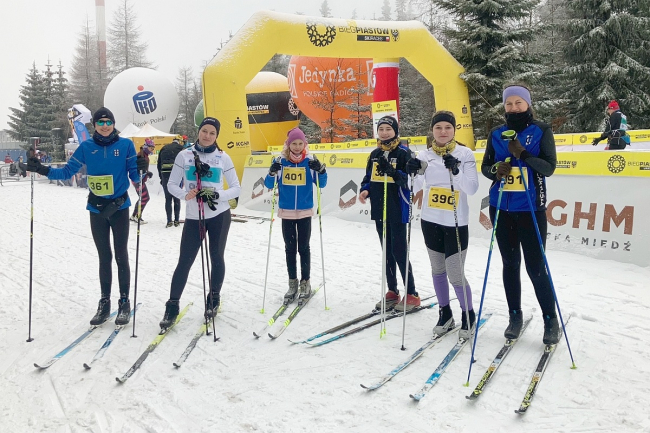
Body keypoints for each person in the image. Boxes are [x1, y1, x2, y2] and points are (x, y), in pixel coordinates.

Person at [25, 107, 145, 326]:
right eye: (101, 122)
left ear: (113, 123)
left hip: (119, 207)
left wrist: (142, 168)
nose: (105, 126)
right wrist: (43, 170)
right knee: (104, 256)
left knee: (121, 255)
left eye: (109, 122)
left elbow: (134, 175)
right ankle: (104, 302)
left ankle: (124, 302)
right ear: (95, 125)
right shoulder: (86, 147)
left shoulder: (125, 145)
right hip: (97, 208)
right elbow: (67, 172)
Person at [481, 84, 561, 344]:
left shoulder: (541, 130)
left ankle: (550, 320)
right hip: (501, 207)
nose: (513, 107)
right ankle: (514, 315)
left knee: (536, 268)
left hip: (531, 209)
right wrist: (497, 169)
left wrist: (523, 154)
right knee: (510, 264)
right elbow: (486, 167)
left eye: (518, 102)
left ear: (528, 104)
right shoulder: (496, 133)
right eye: (508, 104)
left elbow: (548, 168)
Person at [159, 117, 241, 329]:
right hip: (194, 216)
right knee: (185, 261)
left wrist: (216, 195)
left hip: (219, 215)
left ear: (216, 136)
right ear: (199, 131)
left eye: (212, 133)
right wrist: (186, 195)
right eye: (204, 131)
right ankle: (172, 305)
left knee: (216, 257)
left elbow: (235, 188)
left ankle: (213, 297)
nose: (207, 136)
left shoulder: (223, 157)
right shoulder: (184, 155)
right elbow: (171, 184)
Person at [406, 111, 479, 339]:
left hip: (456, 222)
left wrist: (455, 171)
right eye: (438, 128)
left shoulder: (465, 154)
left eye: (448, 127)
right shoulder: (424, 155)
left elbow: (472, 188)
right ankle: (445, 312)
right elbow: (414, 187)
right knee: (437, 270)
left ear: (454, 130)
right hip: (430, 220)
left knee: (455, 274)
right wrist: (411, 171)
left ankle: (468, 314)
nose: (443, 132)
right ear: (432, 130)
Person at [359, 116, 419, 312]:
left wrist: (393, 172)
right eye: (381, 129)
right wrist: (365, 189)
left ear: (395, 131)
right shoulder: (375, 153)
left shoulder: (403, 152)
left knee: (399, 251)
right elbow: (368, 177)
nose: (384, 132)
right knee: (387, 251)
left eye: (388, 129)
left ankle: (412, 293)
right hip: (379, 207)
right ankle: (392, 291)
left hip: (397, 206)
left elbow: (409, 182)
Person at [264, 127, 328, 302]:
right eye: (294, 143)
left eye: (300, 143)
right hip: (287, 212)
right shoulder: (281, 161)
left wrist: (321, 170)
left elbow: (322, 184)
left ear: (305, 144)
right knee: (290, 249)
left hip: (305, 211)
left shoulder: (309, 161)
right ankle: (292, 283)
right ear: (288, 144)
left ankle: (305, 282)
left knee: (304, 247)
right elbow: (269, 183)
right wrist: (271, 171)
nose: (297, 147)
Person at [157, 138, 184, 227]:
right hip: (176, 174)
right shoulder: (181, 148)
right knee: (177, 198)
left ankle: (169, 221)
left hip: (165, 173)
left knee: (168, 198)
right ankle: (176, 220)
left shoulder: (164, 148)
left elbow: (158, 164)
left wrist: (161, 178)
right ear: (178, 142)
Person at [130, 139, 154, 224]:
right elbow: (139, 167)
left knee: (142, 198)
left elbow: (143, 168)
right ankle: (137, 216)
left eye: (153, 148)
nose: (152, 150)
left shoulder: (145, 155)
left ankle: (134, 215)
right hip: (138, 180)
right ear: (147, 147)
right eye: (151, 148)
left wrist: (147, 173)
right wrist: (145, 173)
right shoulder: (142, 154)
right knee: (145, 198)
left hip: (140, 179)